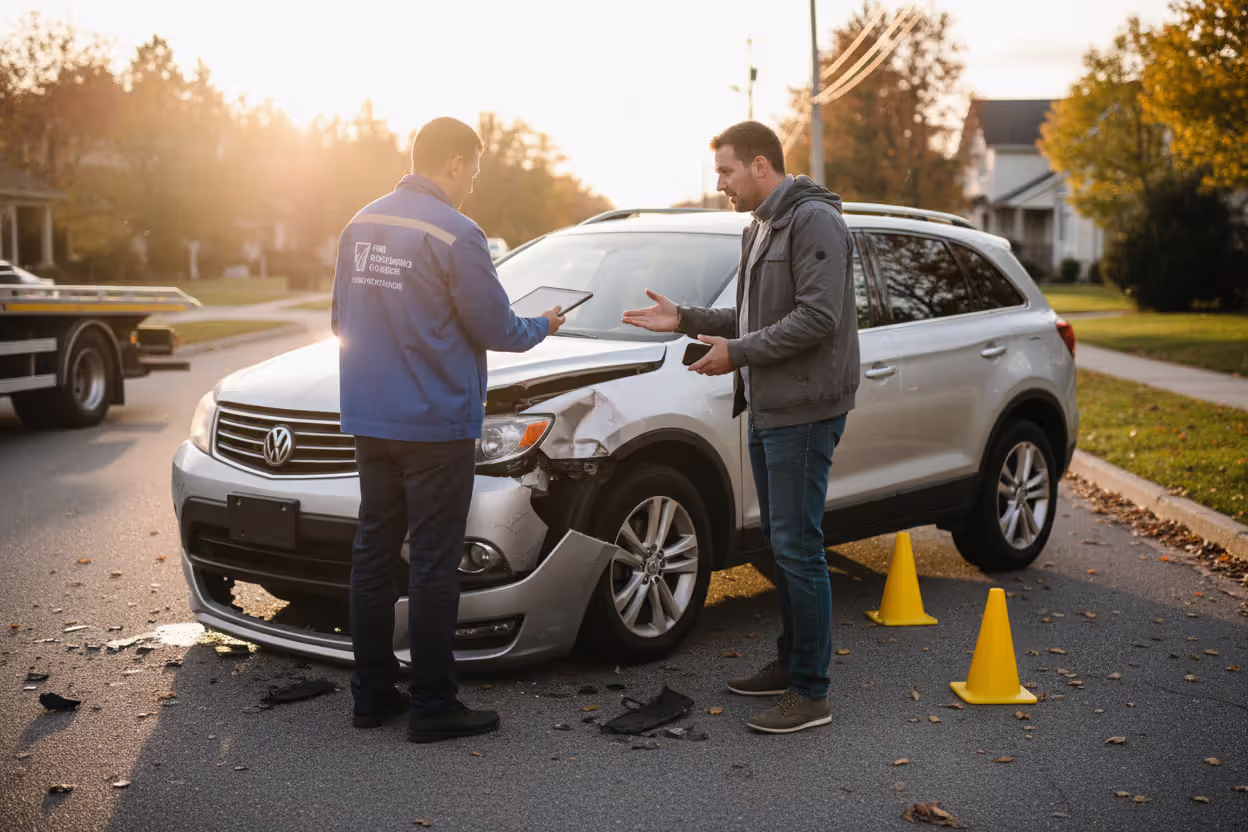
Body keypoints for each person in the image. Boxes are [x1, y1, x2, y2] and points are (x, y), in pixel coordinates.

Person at [331, 117, 565, 743]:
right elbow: (497, 330)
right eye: (475, 171)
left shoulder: (360, 224)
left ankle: (372, 694)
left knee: (374, 555)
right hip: (435, 425)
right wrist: (544, 323)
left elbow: (339, 319)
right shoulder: (457, 233)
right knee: (434, 561)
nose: (473, 184)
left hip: (370, 418)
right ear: (456, 163)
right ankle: (433, 703)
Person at [622, 121, 859, 734]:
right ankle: (791, 663)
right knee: (783, 547)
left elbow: (819, 317)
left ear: (761, 165)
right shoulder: (759, 226)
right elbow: (753, 313)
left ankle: (811, 694)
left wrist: (739, 352)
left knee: (799, 548)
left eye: (726, 172)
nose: (720, 184)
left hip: (804, 410)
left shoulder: (814, 222)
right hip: (768, 404)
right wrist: (687, 319)